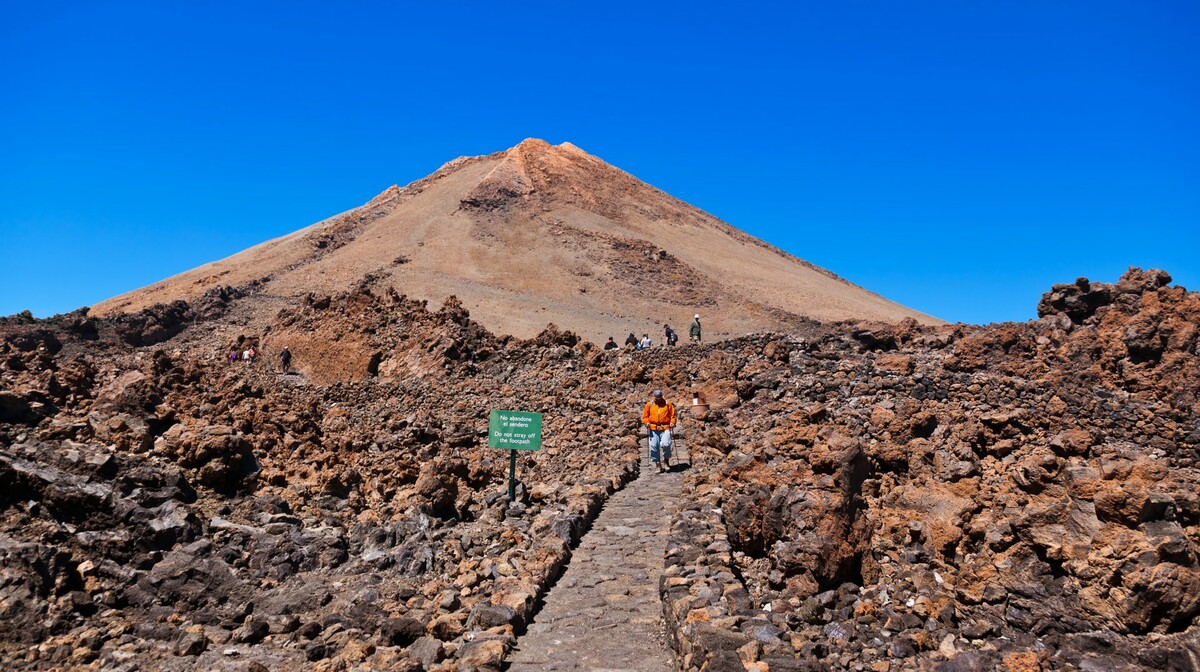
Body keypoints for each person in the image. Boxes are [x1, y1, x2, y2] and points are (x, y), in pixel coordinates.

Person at [641, 389, 676, 473]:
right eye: (656, 398)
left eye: (659, 397)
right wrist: (646, 423)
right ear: (654, 397)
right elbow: (645, 417)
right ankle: (657, 464)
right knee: (654, 446)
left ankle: (666, 461)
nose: (658, 399)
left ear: (661, 396)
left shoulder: (668, 404)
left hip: (665, 427)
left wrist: (672, 422)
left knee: (666, 444)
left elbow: (673, 415)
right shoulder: (649, 405)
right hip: (653, 428)